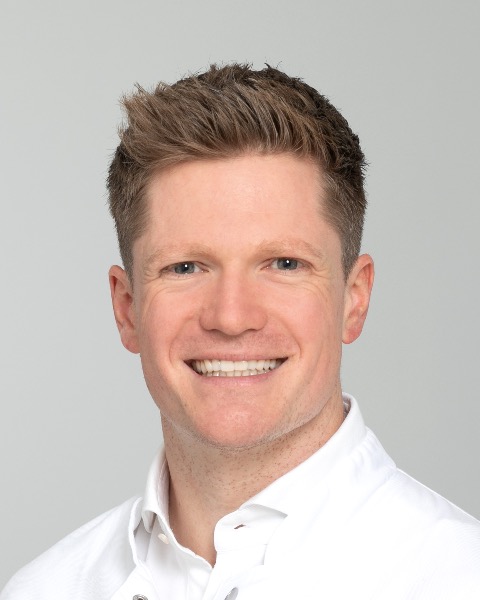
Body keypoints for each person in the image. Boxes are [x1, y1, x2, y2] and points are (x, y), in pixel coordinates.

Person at [2, 63, 479, 600]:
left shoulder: (460, 579)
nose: (231, 317)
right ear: (127, 307)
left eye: (284, 264)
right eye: (185, 267)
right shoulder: (43, 589)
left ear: (354, 298)